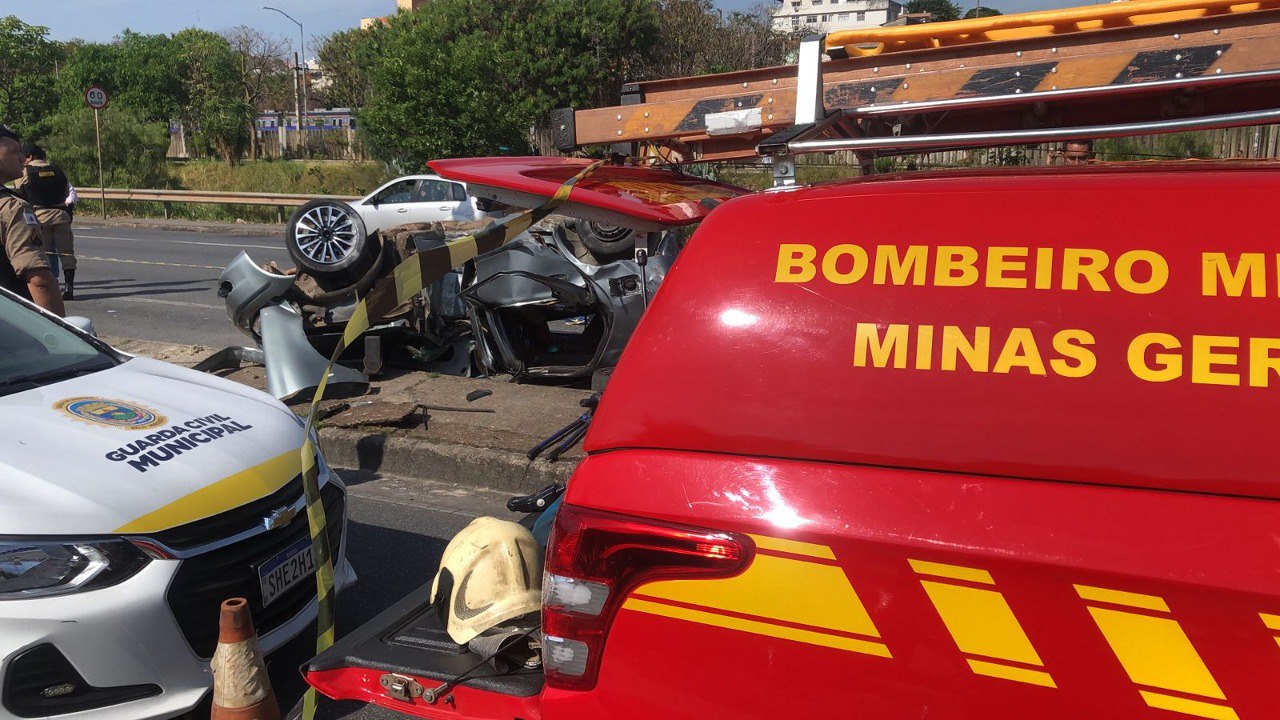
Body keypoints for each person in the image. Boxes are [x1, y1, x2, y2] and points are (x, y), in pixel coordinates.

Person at [0, 125, 64, 315]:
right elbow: (40, 281)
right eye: (15, 151)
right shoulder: (11, 208)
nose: (22, 158)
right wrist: (60, 335)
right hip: (12, 326)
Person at [15, 142, 77, 299]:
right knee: (67, 253)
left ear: (30, 157)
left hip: (40, 218)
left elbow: (19, 195)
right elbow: (66, 191)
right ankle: (69, 286)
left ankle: (48, 289)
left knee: (44, 255)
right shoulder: (57, 169)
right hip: (61, 216)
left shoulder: (25, 172)